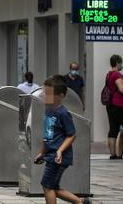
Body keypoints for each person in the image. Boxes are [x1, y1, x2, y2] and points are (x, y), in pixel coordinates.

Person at [35, 76, 89, 204]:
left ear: (60, 96)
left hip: (58, 157)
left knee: (48, 187)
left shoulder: (63, 113)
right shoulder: (49, 111)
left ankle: (79, 202)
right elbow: (47, 136)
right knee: (52, 186)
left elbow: (72, 135)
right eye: (44, 92)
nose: (44, 95)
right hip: (51, 155)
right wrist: (42, 153)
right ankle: (79, 202)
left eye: (48, 94)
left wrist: (60, 151)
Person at [104, 54, 123, 160]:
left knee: (113, 129)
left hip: (110, 105)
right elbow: (121, 89)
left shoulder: (109, 74)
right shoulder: (117, 74)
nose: (122, 65)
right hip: (120, 105)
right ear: (117, 62)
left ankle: (113, 155)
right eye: (121, 63)